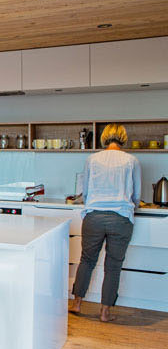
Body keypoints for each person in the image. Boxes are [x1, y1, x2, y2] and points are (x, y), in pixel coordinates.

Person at [69, 124, 142, 322]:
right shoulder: (132, 161)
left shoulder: (92, 159)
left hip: (94, 217)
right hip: (120, 218)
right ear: (123, 137)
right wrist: (133, 204)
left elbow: (85, 191)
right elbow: (136, 195)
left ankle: (77, 303)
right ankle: (104, 312)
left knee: (87, 260)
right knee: (113, 265)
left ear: (104, 137)